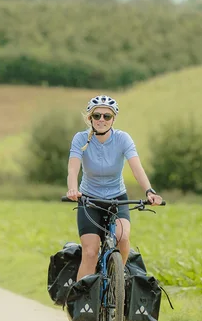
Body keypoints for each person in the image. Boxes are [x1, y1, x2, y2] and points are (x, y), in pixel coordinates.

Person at [66, 94, 163, 285]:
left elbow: (137, 168)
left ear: (113, 119)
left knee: (122, 237)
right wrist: (72, 189)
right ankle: (82, 304)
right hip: (89, 200)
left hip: (117, 198)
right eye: (97, 116)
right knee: (91, 252)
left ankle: (117, 280)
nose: (101, 120)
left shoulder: (122, 139)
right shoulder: (80, 139)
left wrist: (149, 191)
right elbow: (73, 168)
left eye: (107, 116)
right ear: (90, 118)